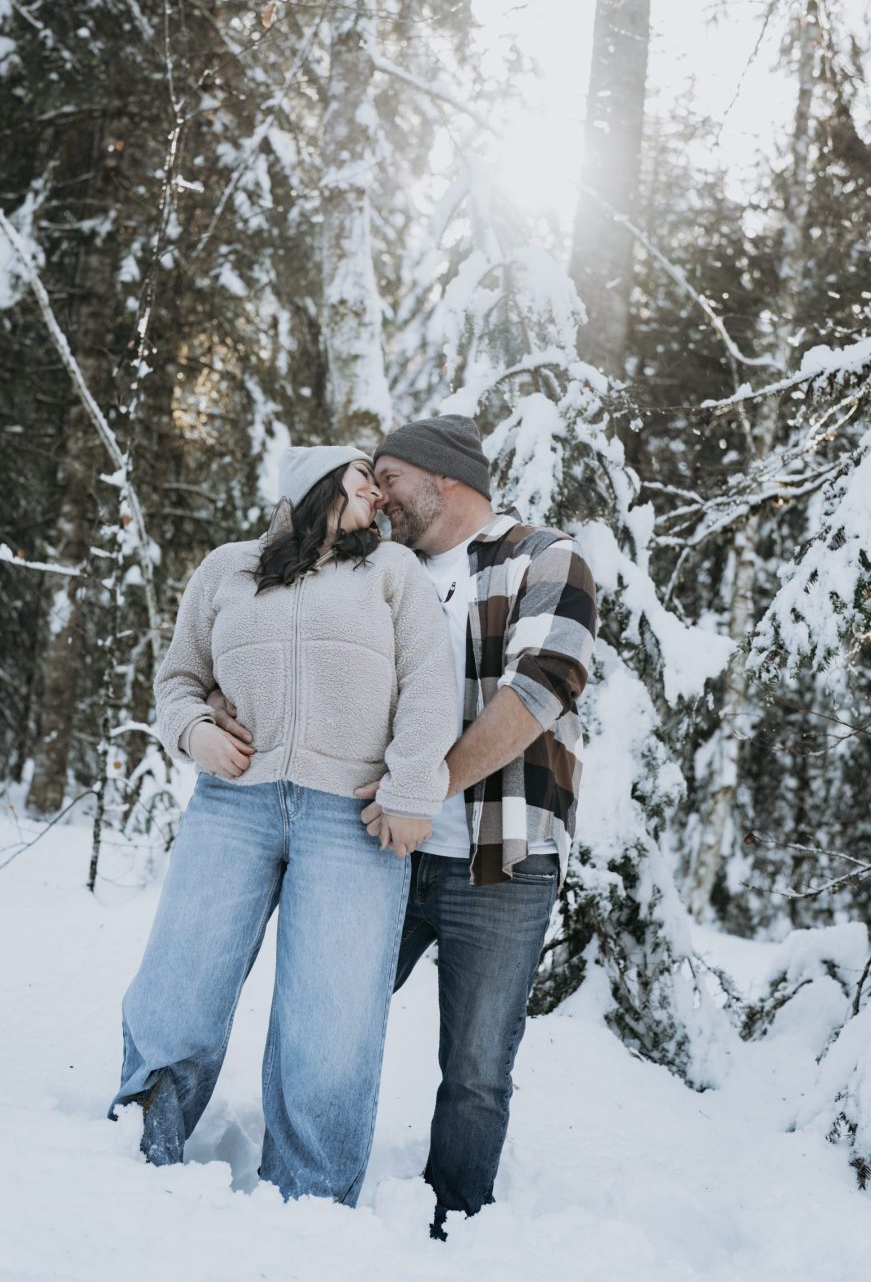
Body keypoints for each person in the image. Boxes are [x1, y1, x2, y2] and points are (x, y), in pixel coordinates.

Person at [208, 415, 597, 1236]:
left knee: (477, 1066)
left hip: (500, 854)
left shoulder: (542, 556)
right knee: (329, 1014)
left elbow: (542, 689)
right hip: (374, 843)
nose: (376, 493)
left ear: (443, 477)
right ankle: (301, 1196)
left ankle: (453, 1227)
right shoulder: (383, 566)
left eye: (387, 475)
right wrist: (218, 697)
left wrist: (425, 787)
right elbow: (281, 640)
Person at [110, 445, 460, 1208]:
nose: (375, 494)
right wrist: (195, 730)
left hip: (351, 818)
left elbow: (432, 685)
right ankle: (140, 1144)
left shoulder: (394, 574)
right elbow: (177, 678)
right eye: (360, 479)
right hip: (234, 803)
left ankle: (310, 1202)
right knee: (182, 980)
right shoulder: (227, 569)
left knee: (331, 1017)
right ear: (313, 487)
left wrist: (410, 788)